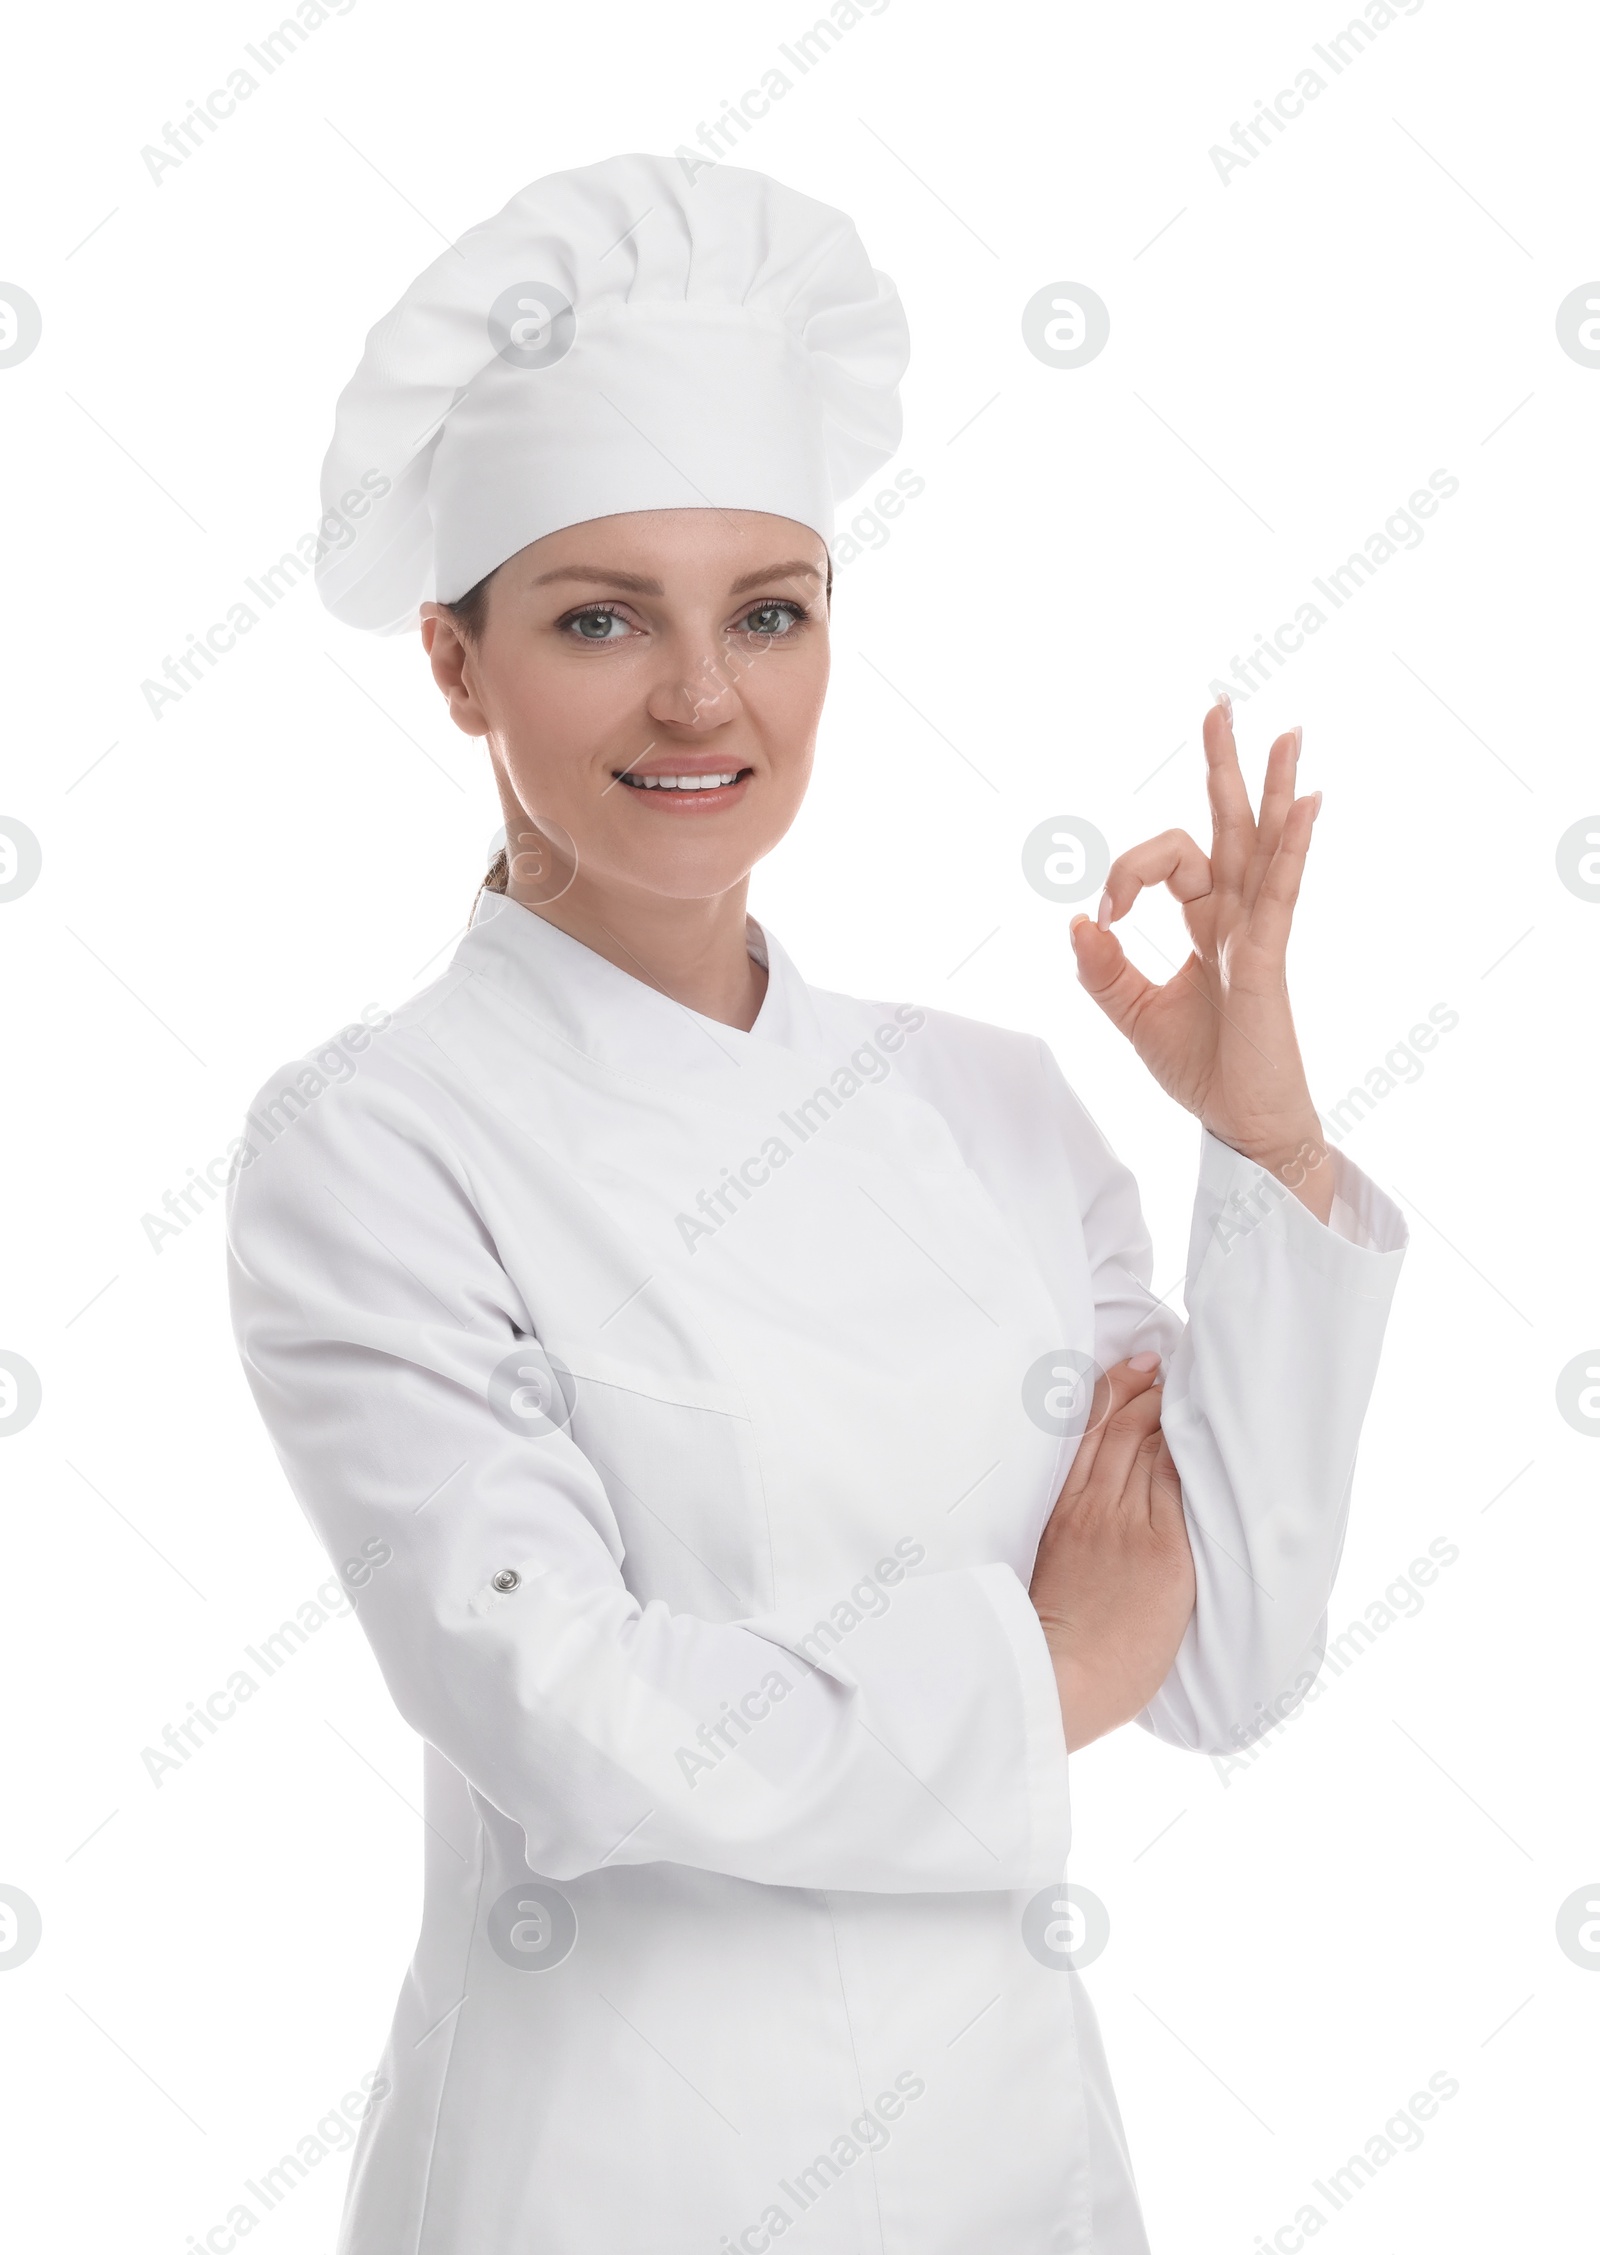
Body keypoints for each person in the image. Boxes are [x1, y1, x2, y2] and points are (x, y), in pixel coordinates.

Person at [225, 151, 1407, 2255]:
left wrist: (1269, 1149)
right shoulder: (376, 1146)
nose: (704, 699)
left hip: (1006, 2175)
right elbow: (564, 1716)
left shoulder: (989, 1105)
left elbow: (1221, 1653)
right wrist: (1039, 1678)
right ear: (454, 665)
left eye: (766, 611)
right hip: (595, 2184)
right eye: (602, 619)